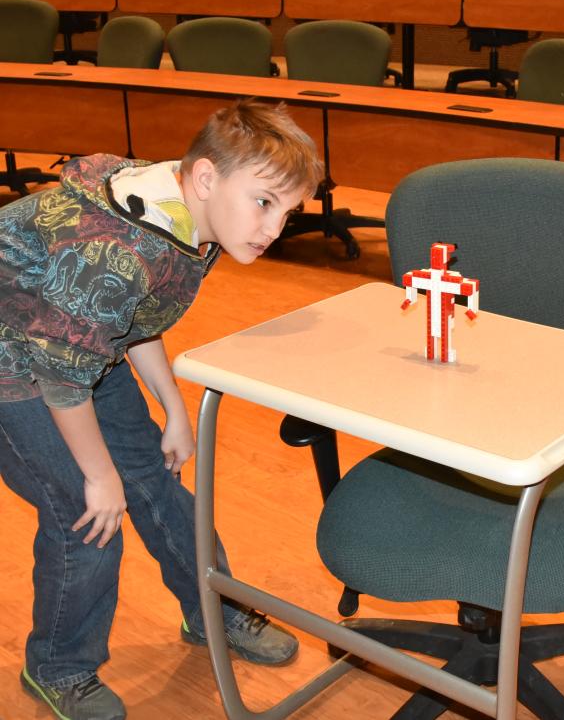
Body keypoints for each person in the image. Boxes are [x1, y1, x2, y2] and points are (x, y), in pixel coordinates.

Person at [0, 100, 325, 720]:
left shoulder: (178, 209)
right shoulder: (115, 248)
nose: (273, 228)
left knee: (153, 476)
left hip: (72, 344)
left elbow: (128, 315)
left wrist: (171, 405)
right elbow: (62, 372)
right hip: (13, 364)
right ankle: (59, 667)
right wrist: (98, 476)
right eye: (264, 202)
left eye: (288, 212)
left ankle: (211, 609)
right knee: (85, 511)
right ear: (206, 178)